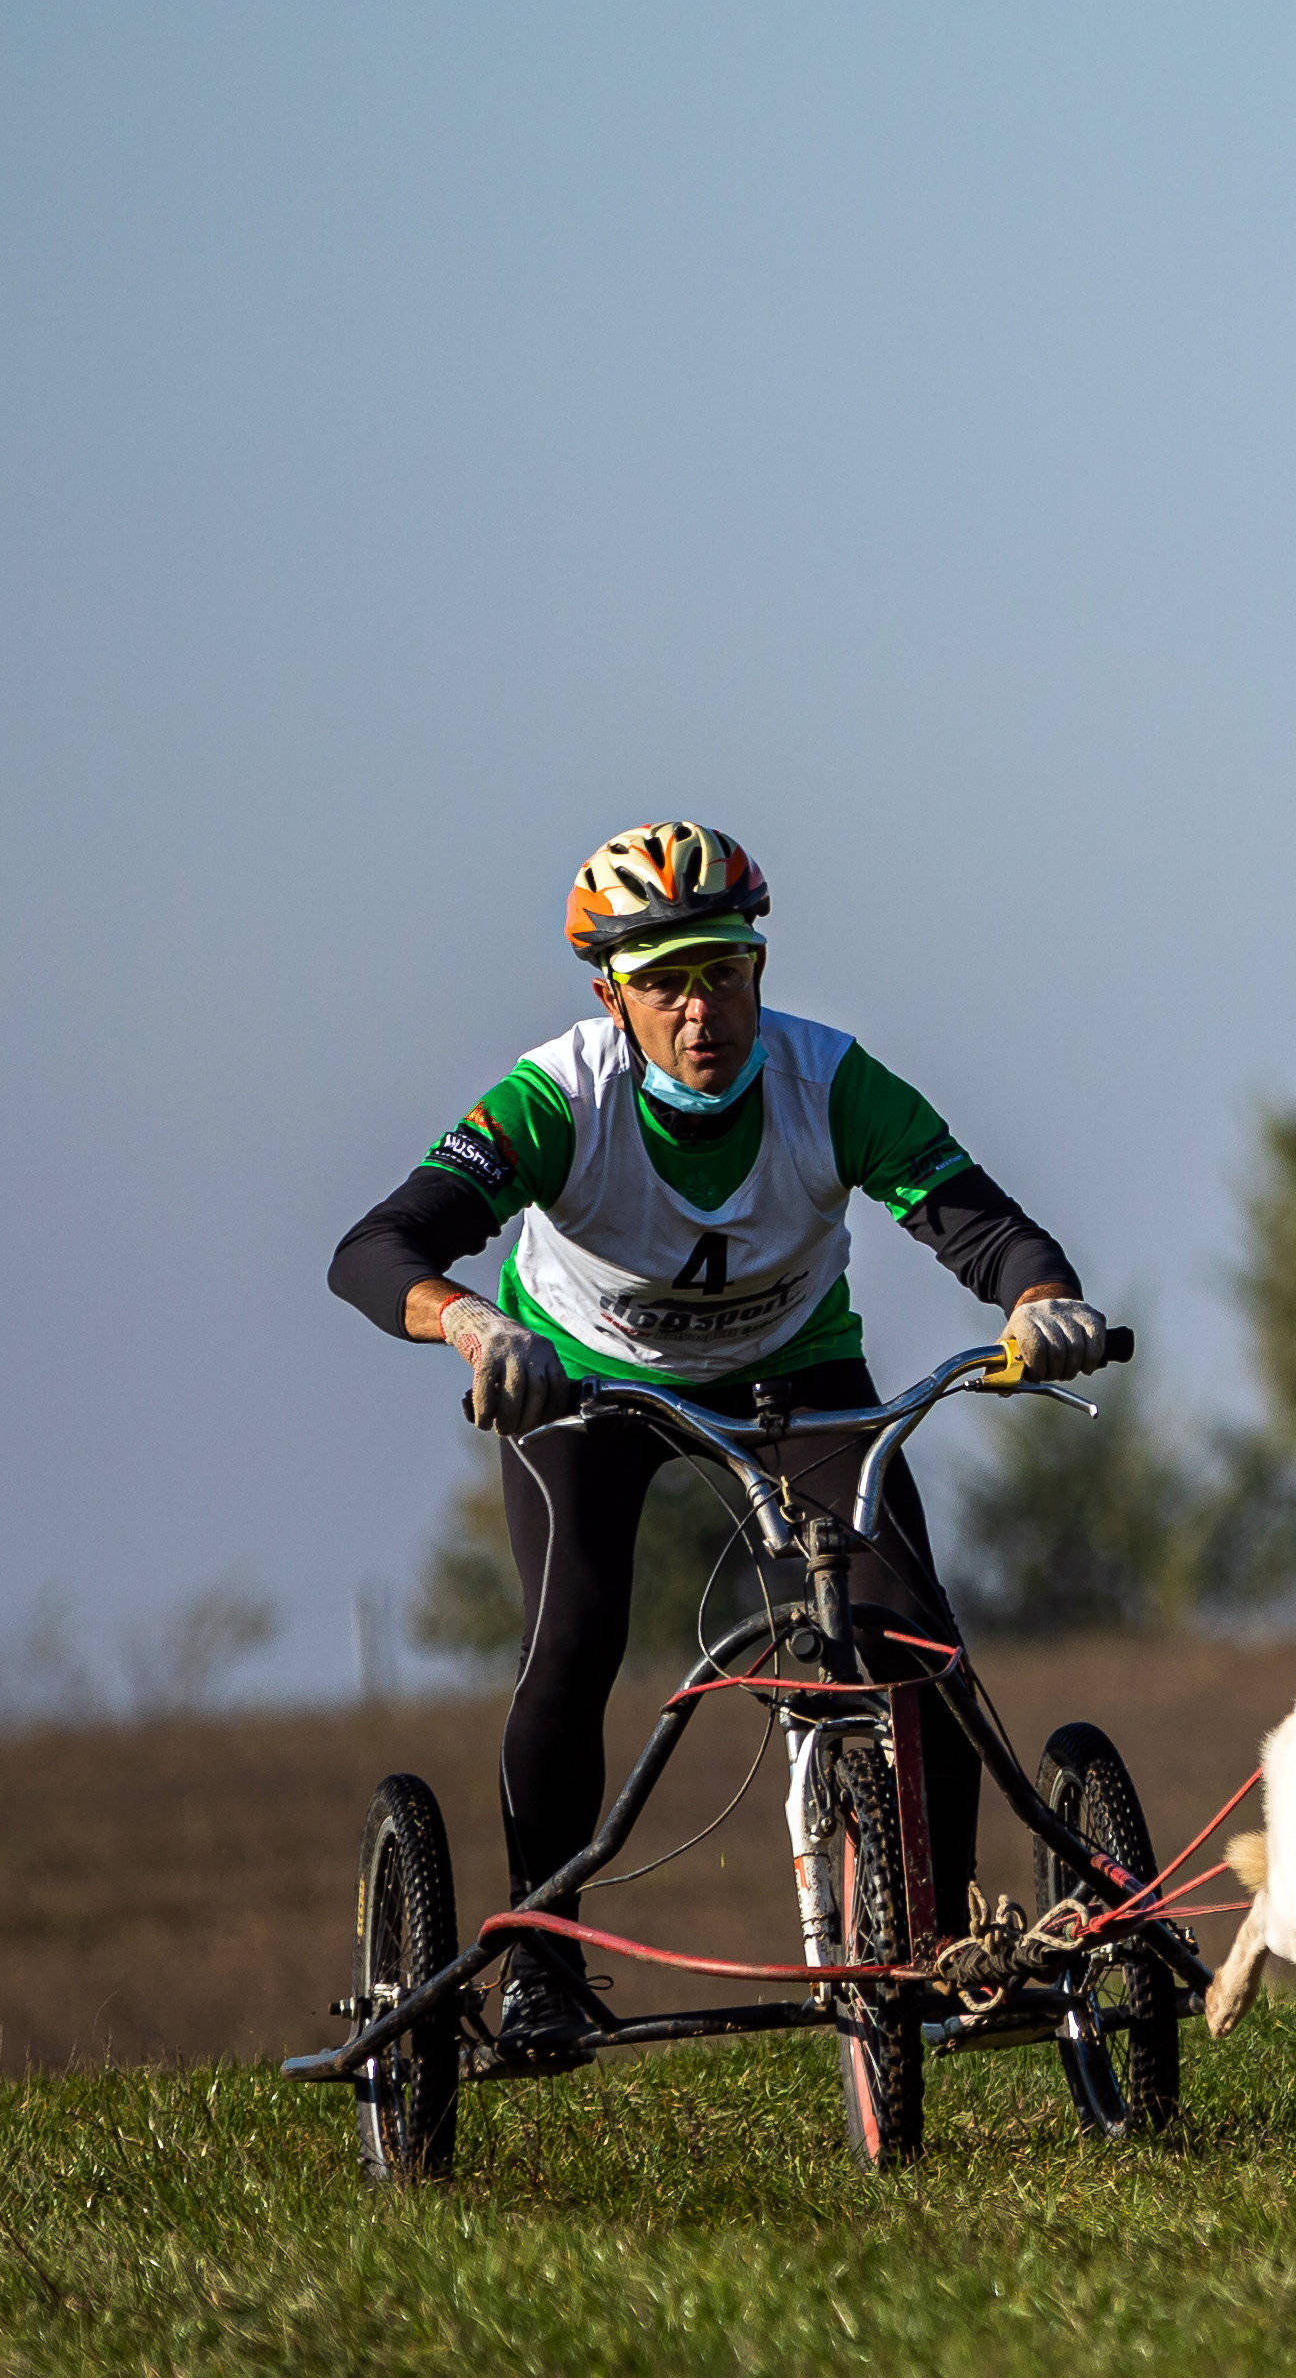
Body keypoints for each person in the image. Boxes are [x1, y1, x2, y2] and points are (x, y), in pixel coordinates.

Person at [329, 820, 1108, 2052]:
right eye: (666, 985)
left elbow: (987, 1228)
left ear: (758, 970)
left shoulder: (830, 1083)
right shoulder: (554, 1098)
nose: (702, 1012)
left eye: (724, 974)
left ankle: (949, 1936)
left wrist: (1039, 1303)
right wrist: (475, 1329)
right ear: (612, 997)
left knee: (914, 1637)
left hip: (792, 1375)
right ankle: (540, 1953)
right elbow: (375, 1253)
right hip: (583, 1383)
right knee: (573, 1638)